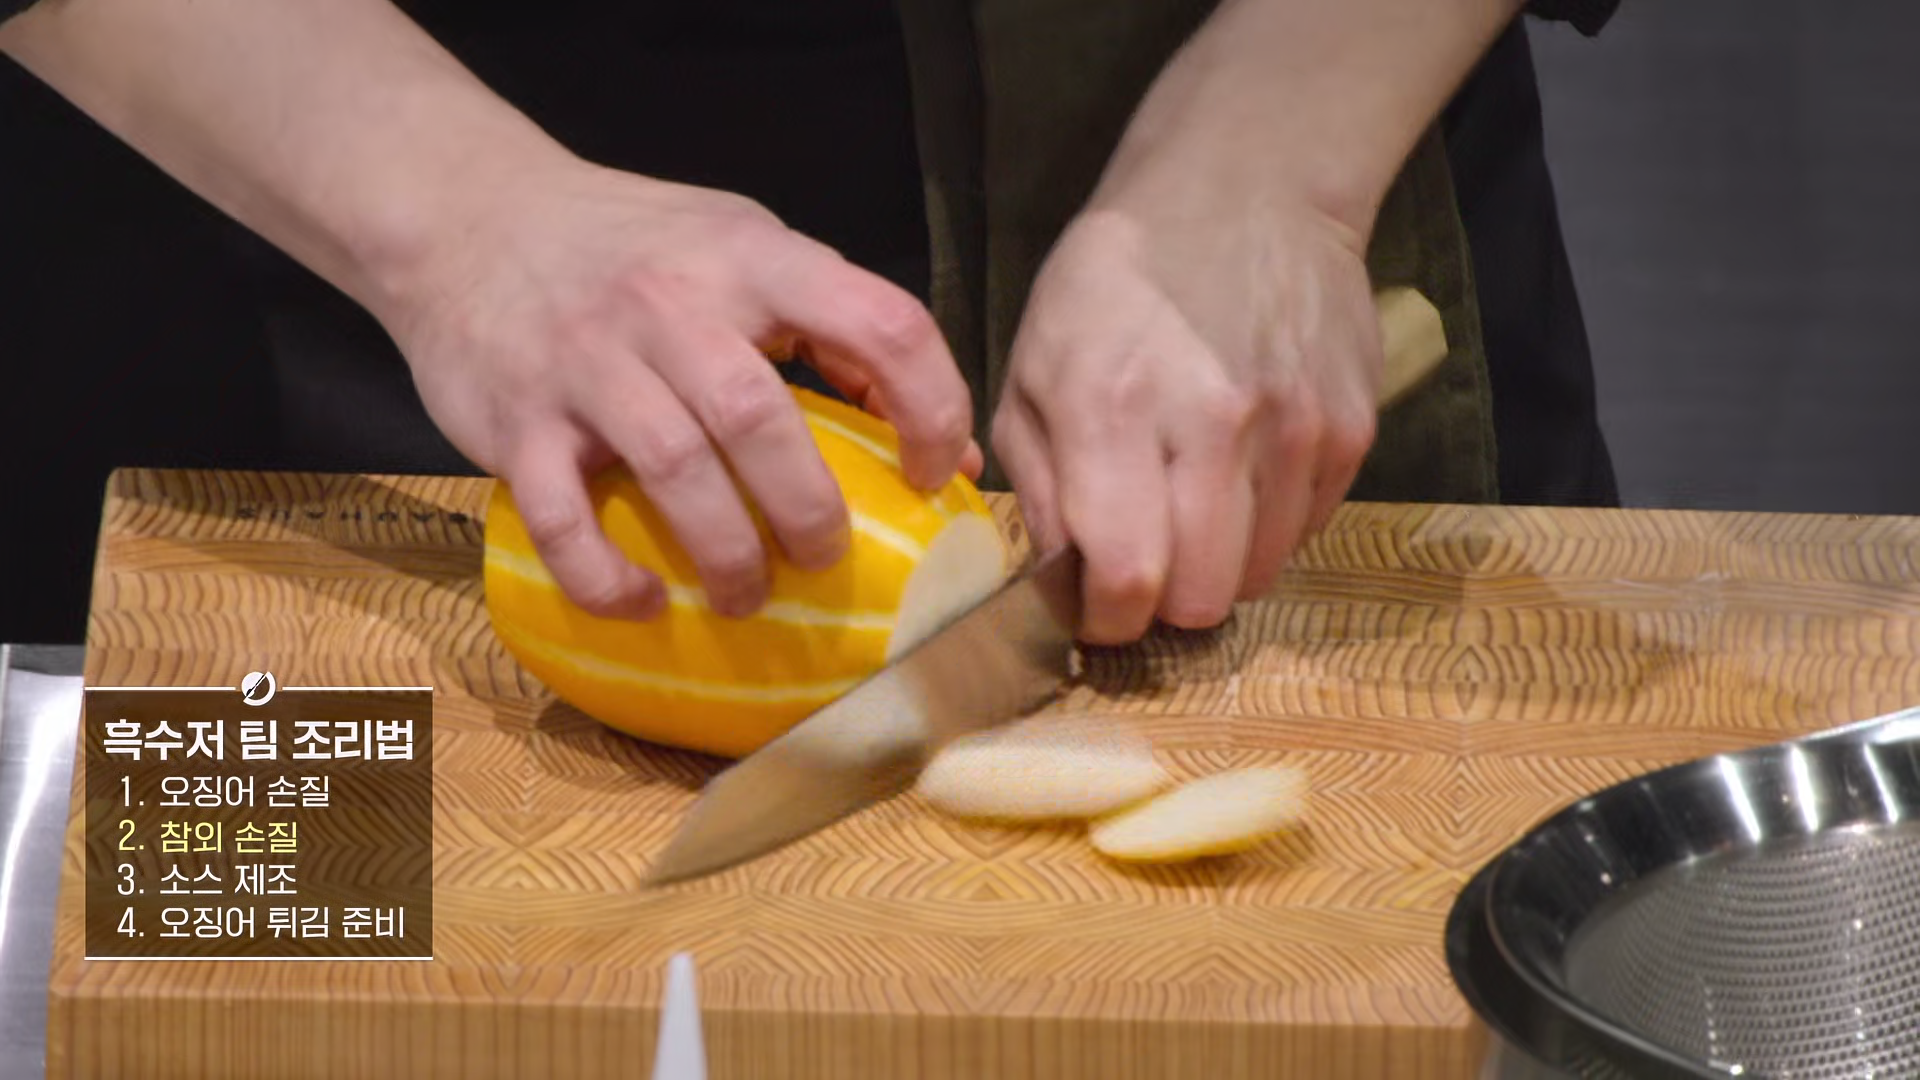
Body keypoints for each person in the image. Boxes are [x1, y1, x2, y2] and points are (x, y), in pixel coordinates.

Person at [0, 0, 1619, 647]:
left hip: (1284, 193)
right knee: (273, 1004)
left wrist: (1284, 161)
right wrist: (456, 222)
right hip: (300, 245)